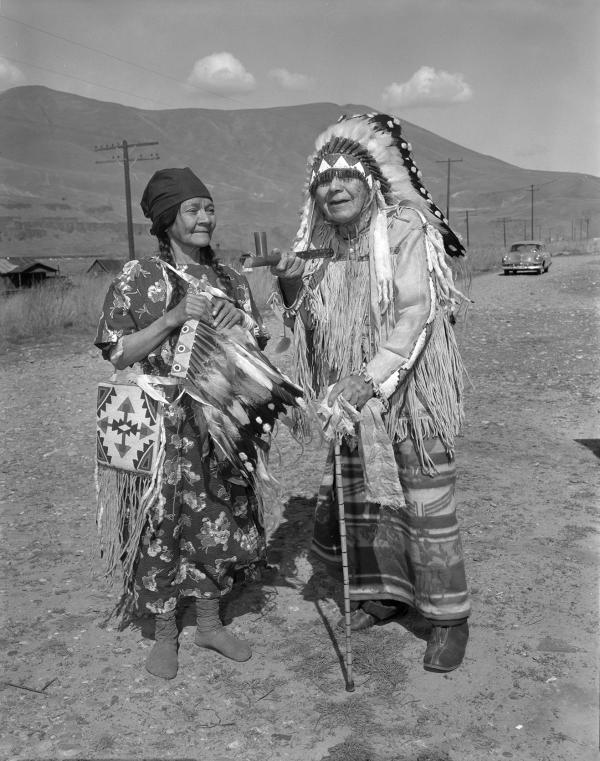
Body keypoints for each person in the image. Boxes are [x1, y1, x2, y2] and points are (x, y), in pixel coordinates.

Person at [273, 113, 471, 672]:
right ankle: (387, 596)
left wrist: (374, 378)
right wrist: (292, 287)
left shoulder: (406, 227)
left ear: (371, 181)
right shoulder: (325, 246)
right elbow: (310, 331)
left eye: (345, 176)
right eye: (322, 180)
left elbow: (417, 312)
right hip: (357, 401)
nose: (332, 187)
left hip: (409, 393)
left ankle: (449, 619)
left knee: (425, 504)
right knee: (366, 502)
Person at [95, 167, 283, 680]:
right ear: (165, 219)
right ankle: (162, 633)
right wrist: (173, 317)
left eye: (209, 208)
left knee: (220, 515)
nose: (205, 218)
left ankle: (208, 621)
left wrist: (238, 324)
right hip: (160, 429)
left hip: (220, 424)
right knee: (160, 523)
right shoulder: (138, 278)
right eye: (193, 210)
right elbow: (119, 353)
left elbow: (256, 345)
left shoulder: (229, 279)